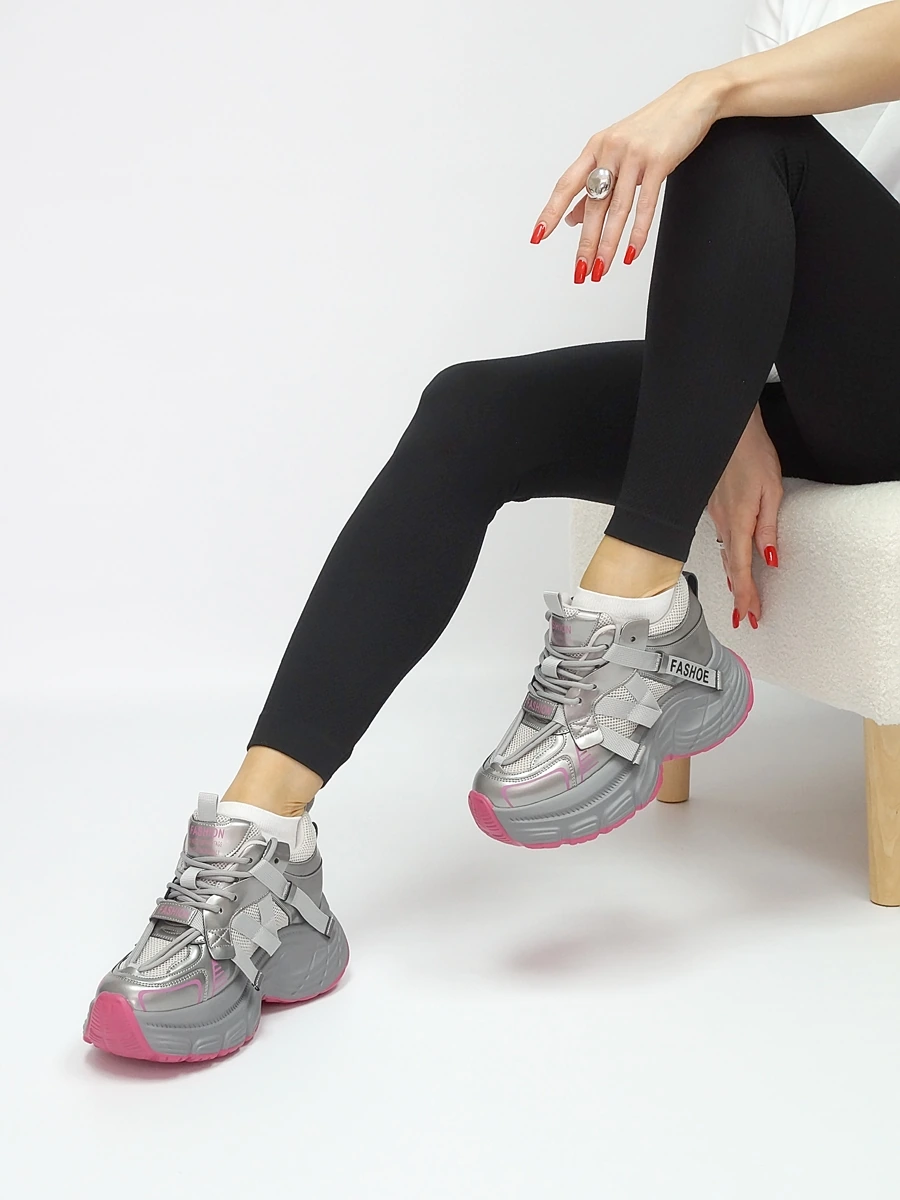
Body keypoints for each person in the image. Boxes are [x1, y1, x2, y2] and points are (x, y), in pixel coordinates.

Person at [84, 0, 900, 1062]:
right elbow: (760, 244)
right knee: (473, 410)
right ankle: (259, 847)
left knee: (738, 125)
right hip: (840, 374)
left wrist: (704, 91)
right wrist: (732, 408)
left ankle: (636, 621)